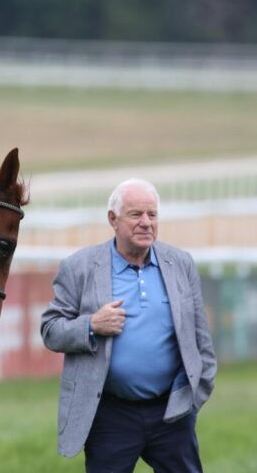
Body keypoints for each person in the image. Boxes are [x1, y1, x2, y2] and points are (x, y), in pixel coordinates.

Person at [40, 178, 217, 472]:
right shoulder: (79, 267)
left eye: (153, 214)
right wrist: (91, 325)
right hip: (110, 415)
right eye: (136, 214)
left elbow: (202, 343)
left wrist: (191, 402)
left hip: (171, 412)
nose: (146, 223)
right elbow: (50, 330)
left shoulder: (181, 263)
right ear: (113, 219)